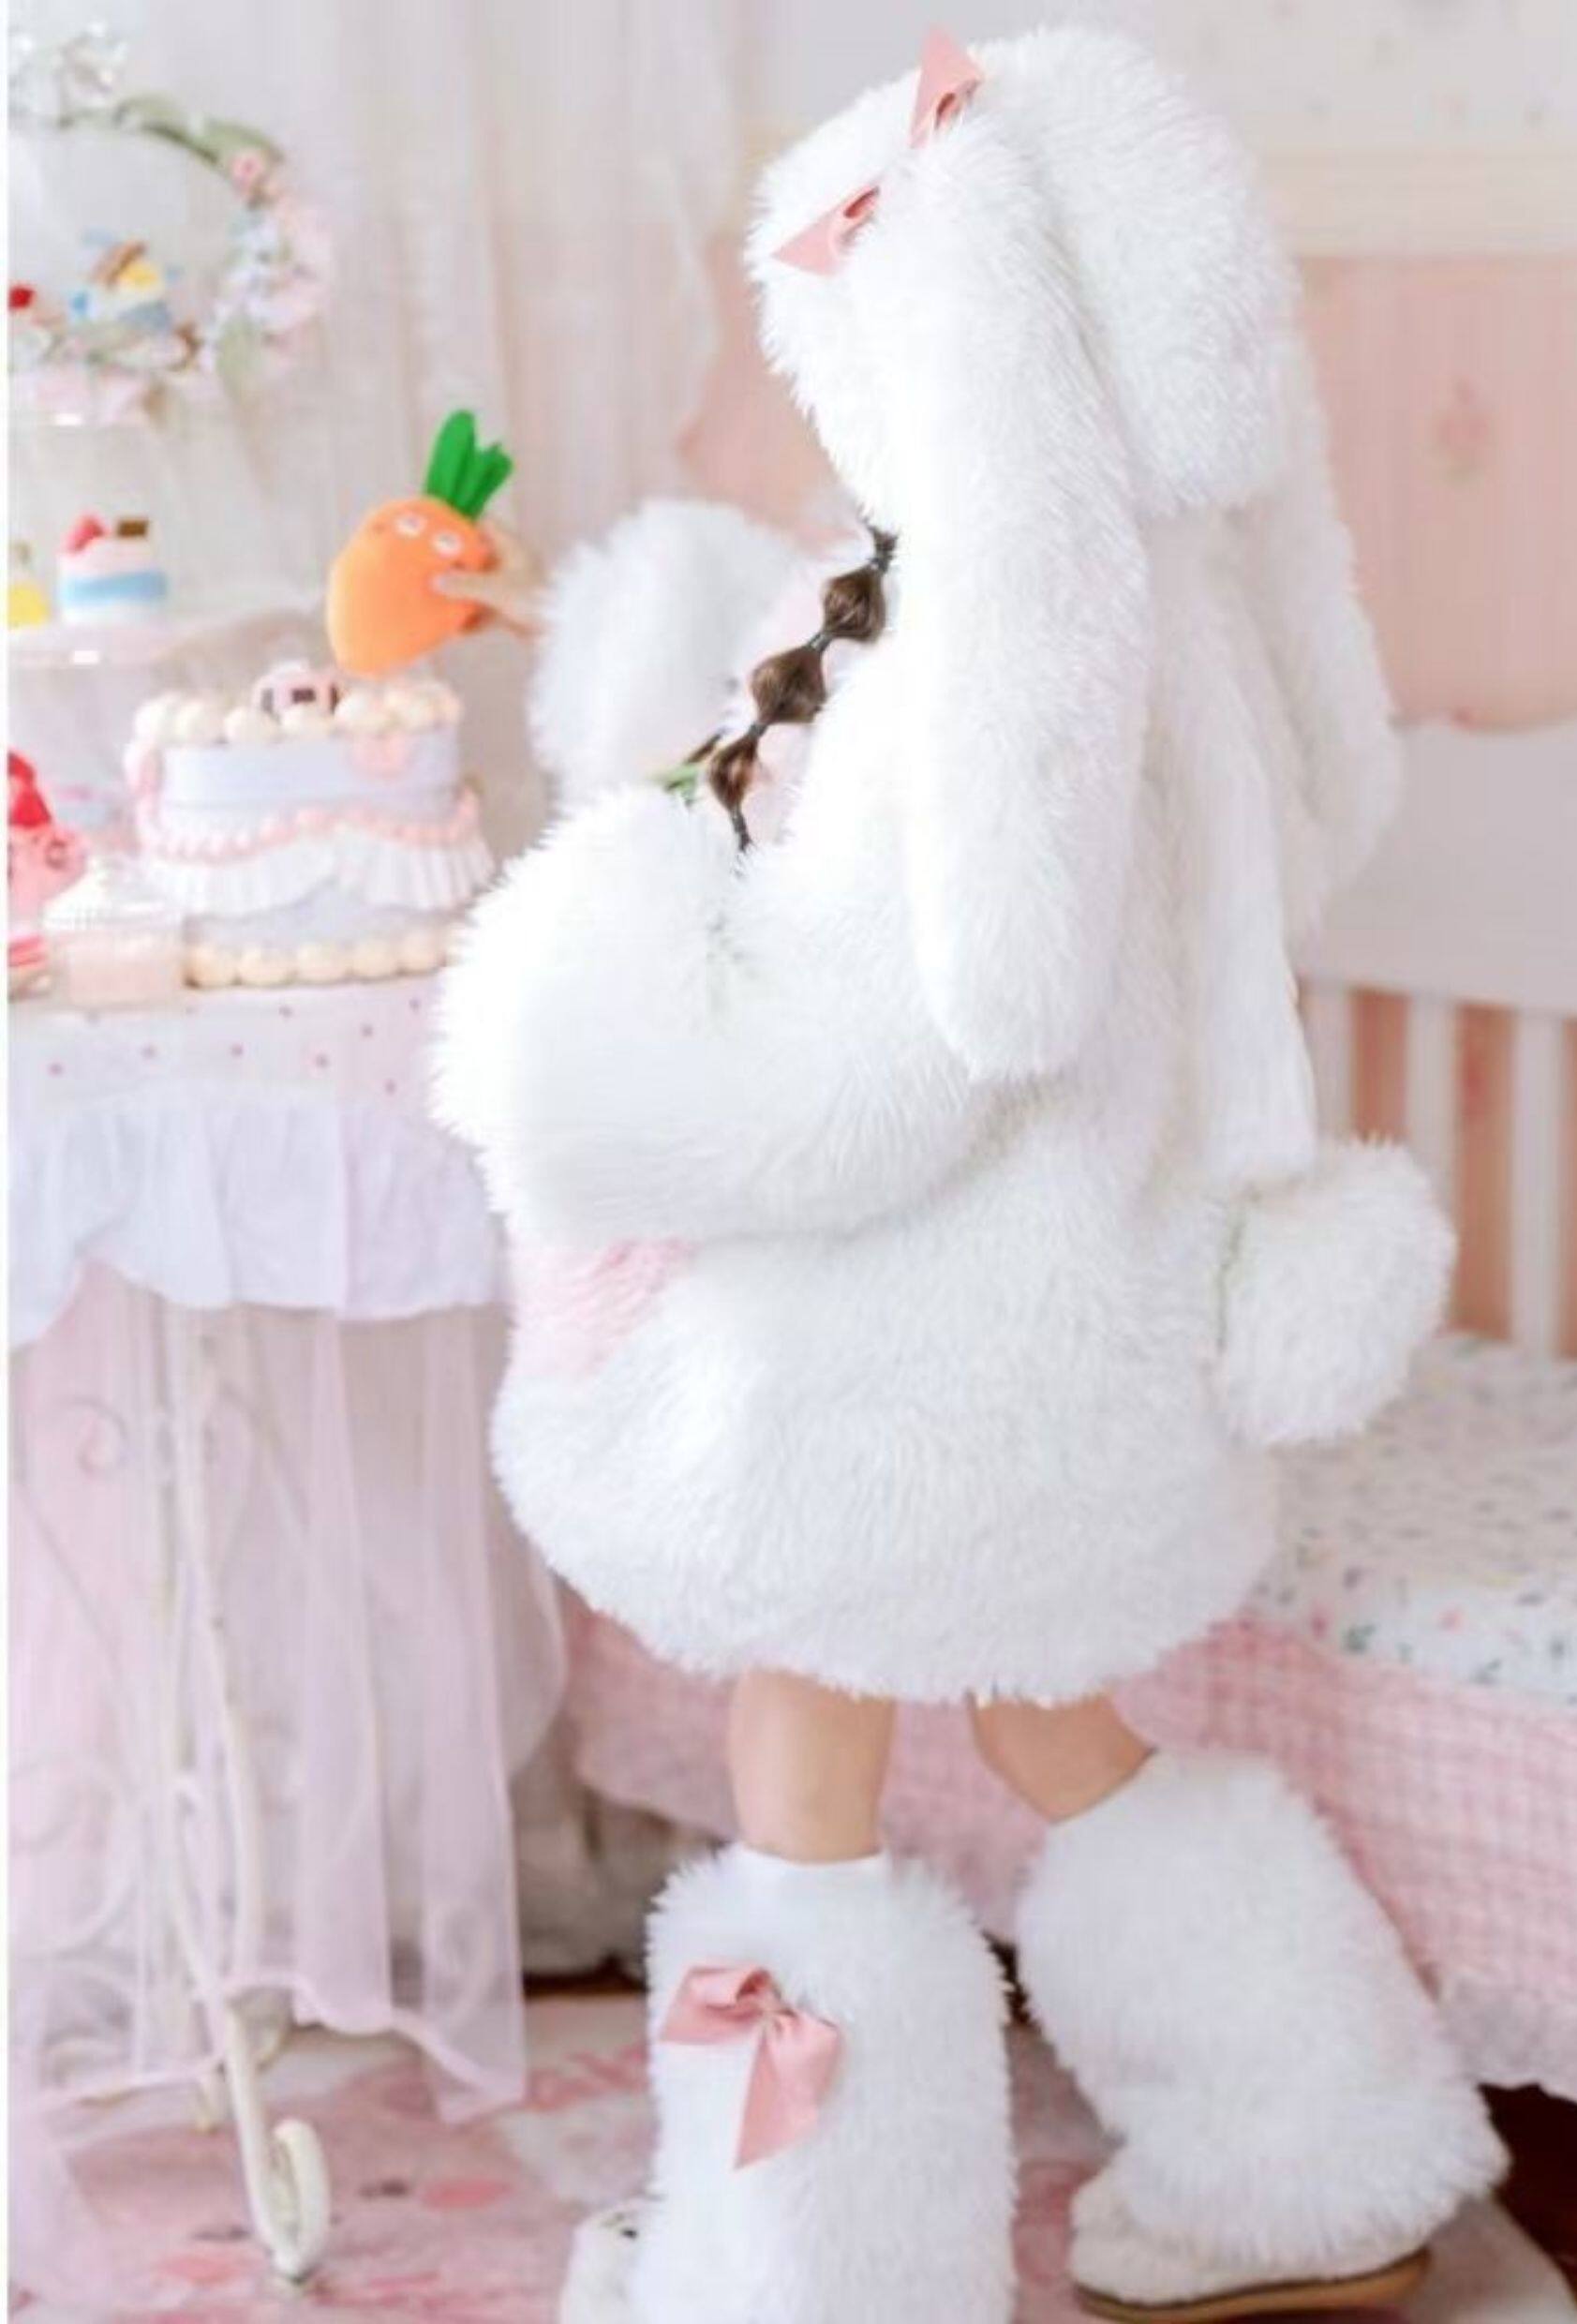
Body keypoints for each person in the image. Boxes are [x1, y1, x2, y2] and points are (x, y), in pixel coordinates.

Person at [434, 28, 1504, 2324]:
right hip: (1101, 1342)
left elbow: (903, 1045)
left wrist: (591, 976)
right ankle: (1312, 2159)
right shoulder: (1161, 604)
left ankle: (810, 2276)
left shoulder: (993, 649)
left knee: (802, 1761)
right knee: (1059, 1726)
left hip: (900, 1358)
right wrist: (573, 630)